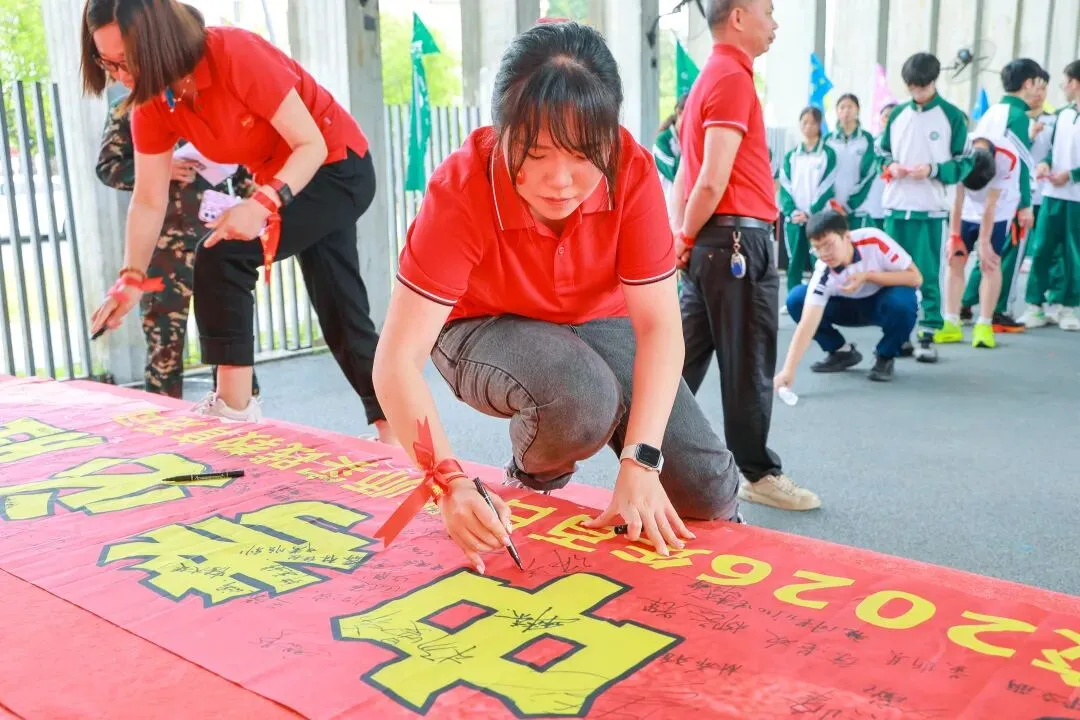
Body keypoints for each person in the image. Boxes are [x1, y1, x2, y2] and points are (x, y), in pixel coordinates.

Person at [373, 20, 741, 570]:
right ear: (501, 131)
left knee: (705, 491)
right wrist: (447, 481)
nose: (561, 180)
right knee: (579, 397)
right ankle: (533, 479)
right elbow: (396, 361)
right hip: (482, 324)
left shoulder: (632, 170)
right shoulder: (463, 186)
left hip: (598, 319)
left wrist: (640, 463)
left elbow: (660, 329)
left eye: (583, 153)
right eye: (537, 152)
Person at [80, 0, 395, 443]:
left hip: (336, 167)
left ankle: (235, 412)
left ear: (159, 40)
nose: (119, 76)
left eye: (126, 61)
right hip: (288, 179)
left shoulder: (235, 54)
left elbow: (312, 145)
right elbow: (148, 199)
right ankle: (396, 432)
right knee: (341, 310)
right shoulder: (152, 104)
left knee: (223, 252)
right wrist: (130, 277)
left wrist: (261, 203)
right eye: (106, 63)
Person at [671, 0, 821, 512]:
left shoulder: (705, 81)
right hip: (736, 242)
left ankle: (645, 456)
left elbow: (686, 177)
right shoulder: (732, 79)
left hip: (710, 245)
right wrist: (684, 238)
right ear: (738, 17)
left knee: (679, 363)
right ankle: (757, 473)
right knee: (748, 365)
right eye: (769, 12)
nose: (775, 24)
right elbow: (710, 180)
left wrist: (683, 238)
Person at [95, 92, 261, 399]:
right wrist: (160, 167)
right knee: (164, 351)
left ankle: (239, 419)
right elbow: (108, 167)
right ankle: (164, 422)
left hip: (216, 240)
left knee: (230, 344)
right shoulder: (130, 108)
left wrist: (257, 199)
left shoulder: (205, 100)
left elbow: (238, 169)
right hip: (163, 252)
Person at [879, 52, 969, 363]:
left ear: (933, 82)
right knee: (893, 273)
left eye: (921, 86)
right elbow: (881, 153)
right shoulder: (897, 114)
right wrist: (890, 166)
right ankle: (899, 333)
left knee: (928, 273)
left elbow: (964, 164)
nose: (916, 92)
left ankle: (928, 334)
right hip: (895, 208)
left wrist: (932, 170)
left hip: (930, 210)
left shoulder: (951, 116)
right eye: (911, 87)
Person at [778, 210, 920, 384]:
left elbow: (915, 277)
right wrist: (788, 370)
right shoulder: (823, 271)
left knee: (904, 302)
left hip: (882, 302)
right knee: (796, 299)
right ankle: (840, 351)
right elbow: (807, 324)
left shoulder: (873, 239)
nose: (824, 254)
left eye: (828, 245)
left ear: (846, 237)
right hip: (846, 308)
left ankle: (885, 355)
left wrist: (868, 276)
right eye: (817, 248)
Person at [958, 59, 1044, 333]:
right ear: (1027, 83)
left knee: (986, 253)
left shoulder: (994, 111)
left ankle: (966, 302)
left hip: (980, 191)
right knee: (1005, 254)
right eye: (1038, 84)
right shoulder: (1018, 116)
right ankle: (998, 309)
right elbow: (1021, 164)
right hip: (1005, 196)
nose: (1040, 90)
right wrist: (1026, 204)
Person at [937, 134, 1017, 349]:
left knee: (990, 262)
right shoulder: (958, 149)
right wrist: (954, 236)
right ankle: (951, 322)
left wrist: (984, 242)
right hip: (965, 210)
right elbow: (957, 199)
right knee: (954, 258)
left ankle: (984, 325)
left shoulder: (1007, 157)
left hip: (999, 209)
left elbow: (991, 205)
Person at [1021, 59, 1080, 332]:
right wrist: (1045, 164)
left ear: (1075, 83)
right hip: (1052, 194)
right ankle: (1035, 305)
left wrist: (1072, 175)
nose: (1063, 87)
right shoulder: (1062, 115)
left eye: (1064, 82)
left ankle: (1067, 306)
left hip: (1076, 198)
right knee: (1042, 248)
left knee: (1073, 254)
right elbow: (1051, 151)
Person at [779, 106, 837, 293]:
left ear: (819, 124)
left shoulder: (828, 153)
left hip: (818, 217)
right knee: (794, 261)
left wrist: (811, 212)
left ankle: (821, 297)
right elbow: (785, 186)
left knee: (820, 260)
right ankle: (793, 299)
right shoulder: (791, 155)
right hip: (795, 219)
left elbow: (827, 186)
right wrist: (793, 211)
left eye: (812, 122)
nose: (808, 126)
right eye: (804, 122)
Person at [826, 93, 877, 229]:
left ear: (858, 110)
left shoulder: (867, 139)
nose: (846, 111)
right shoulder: (828, 140)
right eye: (842, 107)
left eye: (850, 107)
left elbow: (869, 174)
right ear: (836, 111)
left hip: (859, 208)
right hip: (832, 208)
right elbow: (823, 176)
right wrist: (830, 202)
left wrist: (850, 205)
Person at [859, 102, 896, 232]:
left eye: (893, 116)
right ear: (880, 119)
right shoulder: (871, 143)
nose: (889, 119)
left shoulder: (906, 143)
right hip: (874, 200)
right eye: (886, 116)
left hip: (896, 200)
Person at [653, 94, 688, 195]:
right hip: (667, 201)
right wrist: (686, 143)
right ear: (679, 112)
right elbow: (675, 173)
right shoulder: (662, 140)